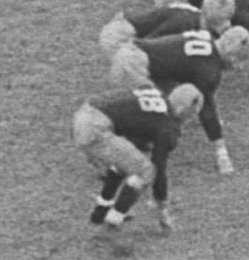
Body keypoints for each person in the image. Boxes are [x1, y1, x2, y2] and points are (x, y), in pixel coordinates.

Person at [108, 26, 249, 173]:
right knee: (148, 112)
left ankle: (131, 146)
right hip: (134, 63)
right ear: (231, 51)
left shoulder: (208, 41)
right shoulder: (209, 69)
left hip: (135, 53)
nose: (238, 66)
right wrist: (221, 151)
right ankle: (117, 162)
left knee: (163, 104)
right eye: (239, 58)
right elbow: (207, 110)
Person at [72, 83, 205, 231]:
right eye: (192, 113)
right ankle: (112, 223)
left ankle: (100, 213)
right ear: (183, 108)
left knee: (125, 162)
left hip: (86, 112)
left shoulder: (154, 93)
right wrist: (162, 207)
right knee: (146, 171)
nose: (190, 118)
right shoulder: (167, 125)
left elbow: (132, 120)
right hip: (95, 128)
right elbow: (159, 169)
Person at [98, 0, 235, 57]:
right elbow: (151, 42)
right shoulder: (184, 21)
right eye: (223, 19)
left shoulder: (195, 19)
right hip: (119, 35)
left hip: (127, 31)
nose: (226, 25)